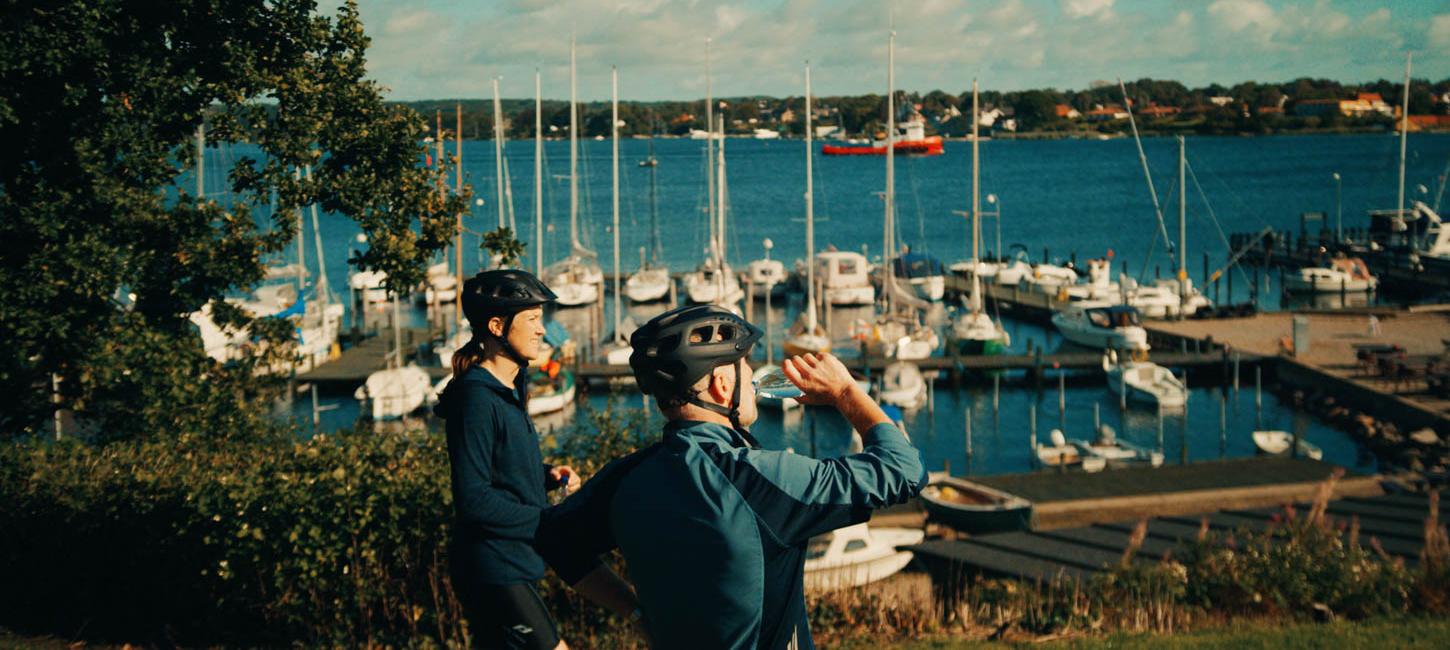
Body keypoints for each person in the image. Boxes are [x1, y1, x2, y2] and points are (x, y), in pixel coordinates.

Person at [536, 304, 926, 649]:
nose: (754, 376)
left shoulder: (625, 479)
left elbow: (555, 539)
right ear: (723, 386)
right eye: (746, 366)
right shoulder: (760, 481)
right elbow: (904, 470)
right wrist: (845, 392)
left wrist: (637, 614)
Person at [437, 269, 637, 650]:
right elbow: (473, 499)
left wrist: (545, 475)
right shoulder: (476, 399)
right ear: (496, 326)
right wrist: (546, 521)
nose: (542, 330)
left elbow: (499, 467)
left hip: (516, 562)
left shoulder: (511, 385)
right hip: (493, 568)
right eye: (531, 319)